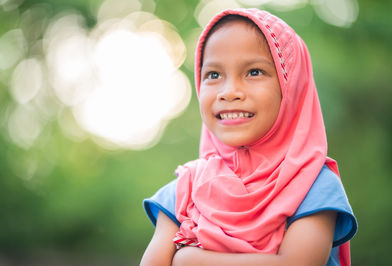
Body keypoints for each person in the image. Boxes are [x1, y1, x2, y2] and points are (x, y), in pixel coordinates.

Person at [140, 8, 357, 266]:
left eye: (254, 72)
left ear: (291, 89)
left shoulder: (312, 184)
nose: (229, 92)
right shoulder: (187, 188)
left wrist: (190, 260)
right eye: (213, 75)